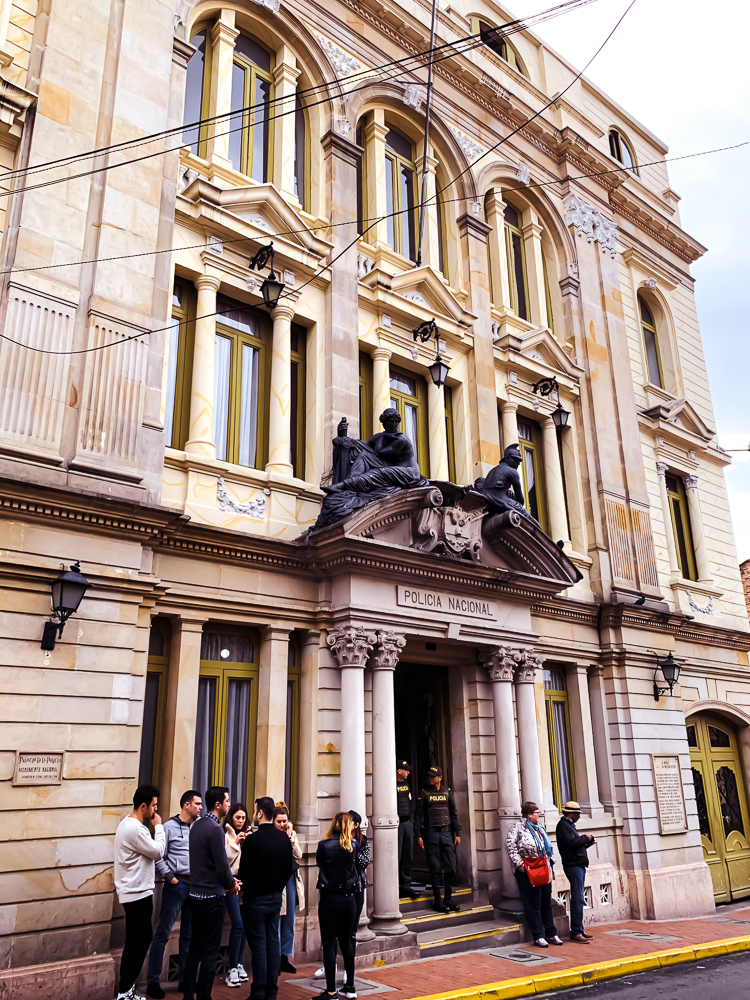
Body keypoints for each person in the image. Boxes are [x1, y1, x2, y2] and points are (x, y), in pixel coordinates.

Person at [183, 787, 240, 1000]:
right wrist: (232, 884)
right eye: (227, 800)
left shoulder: (196, 825)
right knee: (209, 953)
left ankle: (188, 995)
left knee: (194, 950)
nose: (228, 803)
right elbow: (220, 866)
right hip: (212, 898)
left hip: (195, 896)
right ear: (218, 804)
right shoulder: (215, 829)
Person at [146, 789, 202, 999]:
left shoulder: (199, 827)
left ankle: (184, 981)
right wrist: (170, 877)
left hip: (195, 885)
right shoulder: (168, 827)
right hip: (176, 884)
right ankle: (153, 981)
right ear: (186, 805)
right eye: (197, 804)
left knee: (188, 935)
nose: (200, 807)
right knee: (163, 932)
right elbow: (158, 854)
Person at [238, 797, 294, 1000]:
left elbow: (244, 872)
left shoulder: (253, 840)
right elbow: (289, 869)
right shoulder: (283, 839)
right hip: (275, 898)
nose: (254, 814)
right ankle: (271, 990)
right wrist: (278, 886)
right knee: (272, 943)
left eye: (255, 811)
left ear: (260, 813)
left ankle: (259, 991)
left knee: (260, 946)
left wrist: (243, 895)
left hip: (256, 900)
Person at [114, 783, 165, 1000]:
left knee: (139, 940)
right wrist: (159, 827)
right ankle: (125, 991)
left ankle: (127, 989)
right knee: (138, 942)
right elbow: (158, 851)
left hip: (136, 892)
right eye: (153, 806)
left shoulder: (127, 825)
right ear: (143, 806)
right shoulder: (135, 829)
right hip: (137, 894)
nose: (155, 811)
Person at [315, 812, 360, 1000]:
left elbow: (320, 864)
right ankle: (350, 986)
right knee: (346, 942)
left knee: (329, 943)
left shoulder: (324, 845)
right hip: (349, 900)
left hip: (329, 898)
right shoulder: (354, 846)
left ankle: (331, 991)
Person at [506, 801, 563, 949]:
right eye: (537, 812)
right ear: (529, 815)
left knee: (546, 901)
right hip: (528, 869)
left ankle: (551, 933)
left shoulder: (539, 828)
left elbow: (546, 846)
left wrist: (551, 861)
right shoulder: (518, 828)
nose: (539, 815)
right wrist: (519, 863)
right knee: (533, 903)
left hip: (543, 867)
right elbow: (510, 845)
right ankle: (538, 935)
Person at [414, 766, 461, 913]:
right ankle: (437, 901)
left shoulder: (447, 792)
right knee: (435, 869)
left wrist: (457, 833)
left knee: (450, 868)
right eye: (428, 775)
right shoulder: (424, 793)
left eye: (432, 776)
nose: (429, 778)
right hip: (431, 835)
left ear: (439, 777)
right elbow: (417, 815)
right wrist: (418, 835)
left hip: (447, 834)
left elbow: (453, 813)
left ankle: (448, 899)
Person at [556, 801, 595, 944]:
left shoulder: (568, 825)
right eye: (578, 813)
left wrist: (587, 842)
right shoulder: (563, 826)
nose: (579, 816)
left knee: (578, 897)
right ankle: (576, 931)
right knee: (578, 898)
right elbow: (572, 843)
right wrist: (585, 837)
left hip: (576, 864)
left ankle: (578, 928)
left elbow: (574, 845)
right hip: (573, 866)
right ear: (571, 814)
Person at [273, 802, 305, 974]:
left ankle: (285, 957)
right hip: (276, 881)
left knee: (289, 919)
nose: (282, 824)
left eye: (285, 821)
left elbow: (298, 855)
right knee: (277, 919)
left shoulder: (290, 834)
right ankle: (275, 958)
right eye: (279, 821)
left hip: (290, 880)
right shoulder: (270, 836)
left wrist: (291, 835)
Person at [224, 803, 251, 988]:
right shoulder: (225, 835)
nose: (240, 821)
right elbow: (224, 860)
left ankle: (239, 963)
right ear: (231, 818)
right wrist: (236, 843)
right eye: (237, 817)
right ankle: (231, 967)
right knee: (238, 924)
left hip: (246, 885)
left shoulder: (249, 835)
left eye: (243, 817)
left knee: (245, 926)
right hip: (230, 885)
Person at [348, 809, 372, 957]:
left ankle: (348, 966)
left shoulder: (363, 842)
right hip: (341, 888)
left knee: (352, 929)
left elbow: (364, 862)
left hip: (357, 887)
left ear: (356, 825)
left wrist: (353, 850)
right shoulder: (337, 840)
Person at [396, 760, 419, 899]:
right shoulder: (391, 784)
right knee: (396, 856)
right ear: (399, 771)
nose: (408, 772)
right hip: (397, 825)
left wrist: (411, 820)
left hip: (407, 823)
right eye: (406, 770)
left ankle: (406, 885)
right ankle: (394, 885)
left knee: (407, 856)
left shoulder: (406, 784)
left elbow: (409, 802)